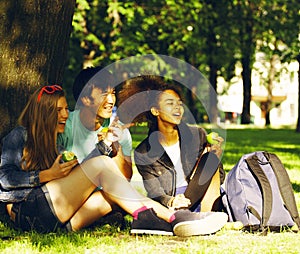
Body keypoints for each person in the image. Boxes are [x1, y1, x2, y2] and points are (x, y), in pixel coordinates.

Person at [0, 84, 228, 236]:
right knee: (101, 166)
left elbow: (82, 177)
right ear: (43, 112)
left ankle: (168, 222)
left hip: (57, 220)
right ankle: (171, 216)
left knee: (111, 195)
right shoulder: (20, 135)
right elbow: (3, 178)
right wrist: (46, 175)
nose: (65, 114)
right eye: (59, 110)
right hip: (28, 213)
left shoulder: (56, 144)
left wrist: (107, 145)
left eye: (65, 109)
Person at [133, 75, 225, 213]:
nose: (177, 108)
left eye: (179, 104)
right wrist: (172, 201)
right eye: (170, 103)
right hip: (172, 203)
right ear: (155, 111)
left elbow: (220, 179)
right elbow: (154, 191)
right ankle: (191, 217)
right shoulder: (143, 152)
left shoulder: (198, 135)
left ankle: (205, 217)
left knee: (209, 160)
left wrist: (215, 158)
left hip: (202, 196)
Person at [58, 66, 133, 180]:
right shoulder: (65, 126)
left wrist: (115, 148)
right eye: (104, 94)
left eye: (112, 93)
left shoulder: (119, 131)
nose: (111, 100)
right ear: (86, 99)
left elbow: (127, 177)